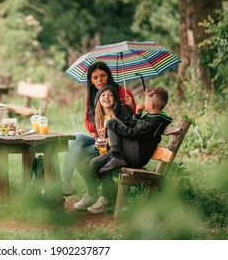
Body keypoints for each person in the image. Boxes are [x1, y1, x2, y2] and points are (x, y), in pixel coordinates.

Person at [86, 85, 172, 214]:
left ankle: (116, 157)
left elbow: (131, 133)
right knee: (94, 164)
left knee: (111, 123)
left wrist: (112, 123)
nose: (143, 103)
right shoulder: (150, 117)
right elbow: (131, 127)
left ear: (152, 106)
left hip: (137, 156)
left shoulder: (155, 121)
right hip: (129, 152)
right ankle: (112, 193)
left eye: (145, 100)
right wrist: (137, 114)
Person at [61, 61, 136, 196]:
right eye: (95, 77)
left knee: (79, 154)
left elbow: (132, 122)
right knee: (76, 137)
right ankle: (64, 182)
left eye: (103, 75)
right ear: (91, 80)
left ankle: (94, 193)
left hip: (116, 142)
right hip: (99, 137)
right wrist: (99, 125)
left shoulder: (123, 93)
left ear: (108, 76)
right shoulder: (91, 97)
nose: (100, 80)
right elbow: (87, 122)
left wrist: (130, 107)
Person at [72, 85, 133, 211]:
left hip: (120, 151)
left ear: (115, 99)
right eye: (103, 95)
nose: (107, 98)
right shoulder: (97, 116)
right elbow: (100, 137)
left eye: (110, 95)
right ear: (98, 99)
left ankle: (107, 196)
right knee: (81, 162)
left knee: (96, 163)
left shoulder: (122, 111)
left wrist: (130, 107)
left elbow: (130, 130)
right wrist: (98, 143)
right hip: (106, 149)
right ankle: (92, 194)